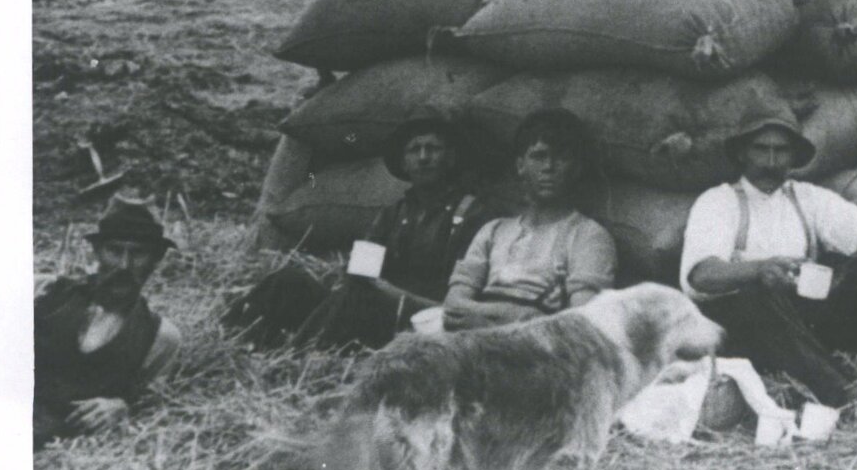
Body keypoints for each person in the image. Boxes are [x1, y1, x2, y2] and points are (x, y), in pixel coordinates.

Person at [680, 96, 857, 407]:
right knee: (757, 295)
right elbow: (701, 274)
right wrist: (759, 270)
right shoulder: (719, 202)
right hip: (751, 332)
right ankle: (848, 394)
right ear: (743, 153)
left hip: (805, 323)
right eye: (762, 149)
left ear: (793, 156)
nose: (771, 162)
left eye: (781, 150)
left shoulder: (806, 198)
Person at [225, 116, 492, 349]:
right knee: (289, 280)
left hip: (419, 316)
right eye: (414, 150)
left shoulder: (470, 213)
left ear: (451, 158)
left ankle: (297, 357)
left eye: (433, 149)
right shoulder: (394, 213)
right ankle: (229, 339)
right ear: (405, 163)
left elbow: (459, 295)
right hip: (371, 305)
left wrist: (387, 293)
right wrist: (362, 283)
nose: (423, 157)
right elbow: (362, 271)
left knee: (359, 295)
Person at [442, 108, 617, 331]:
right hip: (471, 345)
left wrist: (488, 321)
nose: (548, 167)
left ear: (577, 168)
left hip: (536, 356)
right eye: (539, 156)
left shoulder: (588, 236)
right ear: (520, 166)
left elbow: (584, 325)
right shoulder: (493, 231)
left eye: (562, 158)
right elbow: (453, 307)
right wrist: (523, 317)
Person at [35, 199, 183, 449]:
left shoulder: (160, 337)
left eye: (138, 253)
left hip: (55, 448)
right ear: (98, 252)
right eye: (115, 250)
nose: (124, 265)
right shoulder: (43, 292)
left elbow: (150, 409)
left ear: (156, 260)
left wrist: (121, 407)